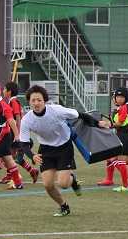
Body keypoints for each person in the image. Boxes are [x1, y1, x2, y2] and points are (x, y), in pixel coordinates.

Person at [19, 85, 85, 217]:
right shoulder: (26, 119)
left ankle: (73, 181)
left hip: (64, 147)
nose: (36, 103)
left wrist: (98, 123)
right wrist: (32, 156)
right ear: (29, 102)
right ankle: (63, 206)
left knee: (63, 184)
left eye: (39, 100)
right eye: (33, 100)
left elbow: (79, 114)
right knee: (48, 185)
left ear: (45, 101)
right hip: (46, 150)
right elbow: (24, 143)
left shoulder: (56, 110)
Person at [0, 81, 39, 186]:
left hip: (15, 134)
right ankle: (31, 171)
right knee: (12, 156)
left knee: (9, 156)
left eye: (4, 89)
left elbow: (17, 117)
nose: (3, 91)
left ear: (9, 92)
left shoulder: (14, 102)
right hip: (13, 133)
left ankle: (14, 176)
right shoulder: (11, 101)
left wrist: (17, 134)